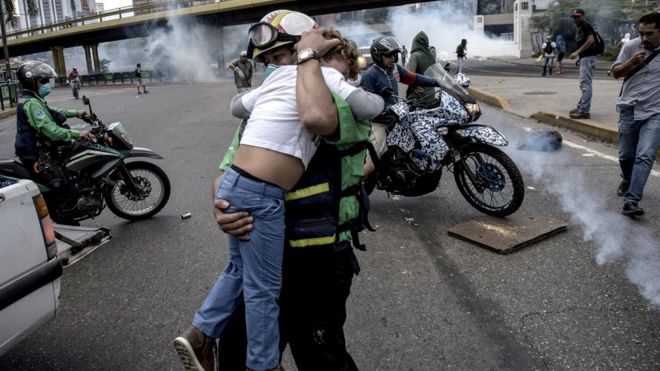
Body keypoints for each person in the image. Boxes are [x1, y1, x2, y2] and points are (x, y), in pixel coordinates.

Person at [174, 10, 384, 371]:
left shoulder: (334, 102)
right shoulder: (276, 98)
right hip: (264, 247)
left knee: (320, 358)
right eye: (269, 61)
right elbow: (226, 171)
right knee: (237, 352)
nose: (275, 67)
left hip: (317, 264)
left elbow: (320, 116)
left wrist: (310, 64)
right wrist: (222, 208)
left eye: (281, 56)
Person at [14, 61, 92, 223]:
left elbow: (53, 111)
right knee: (66, 188)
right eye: (42, 81)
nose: (46, 85)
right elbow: (51, 131)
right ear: (31, 82)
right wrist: (78, 133)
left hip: (38, 151)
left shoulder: (33, 99)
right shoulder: (32, 104)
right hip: (35, 155)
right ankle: (68, 224)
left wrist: (75, 113)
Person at [359, 35, 440, 177]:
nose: (393, 59)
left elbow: (413, 77)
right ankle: (350, 189)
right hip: (379, 122)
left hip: (396, 119)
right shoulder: (370, 75)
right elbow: (363, 103)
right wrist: (381, 109)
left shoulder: (394, 69)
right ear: (378, 56)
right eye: (389, 56)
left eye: (395, 55)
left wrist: (437, 82)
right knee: (374, 160)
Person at [610, 12, 660, 217]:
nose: (645, 39)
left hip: (655, 111)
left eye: (650, 34)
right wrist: (631, 62)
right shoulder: (631, 46)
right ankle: (628, 178)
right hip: (629, 109)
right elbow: (616, 72)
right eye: (641, 34)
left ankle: (631, 201)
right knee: (626, 155)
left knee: (645, 155)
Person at [568, 9, 597, 119]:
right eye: (574, 17)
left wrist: (577, 53)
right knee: (584, 84)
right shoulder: (580, 27)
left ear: (583, 16)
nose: (575, 19)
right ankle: (581, 106)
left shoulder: (586, 26)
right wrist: (580, 57)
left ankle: (584, 110)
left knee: (586, 85)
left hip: (588, 58)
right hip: (585, 57)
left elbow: (591, 40)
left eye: (578, 16)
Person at [406, 31, 438, 108]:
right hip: (431, 95)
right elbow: (433, 48)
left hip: (419, 95)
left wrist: (413, 86)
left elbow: (409, 75)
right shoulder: (431, 54)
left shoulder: (415, 56)